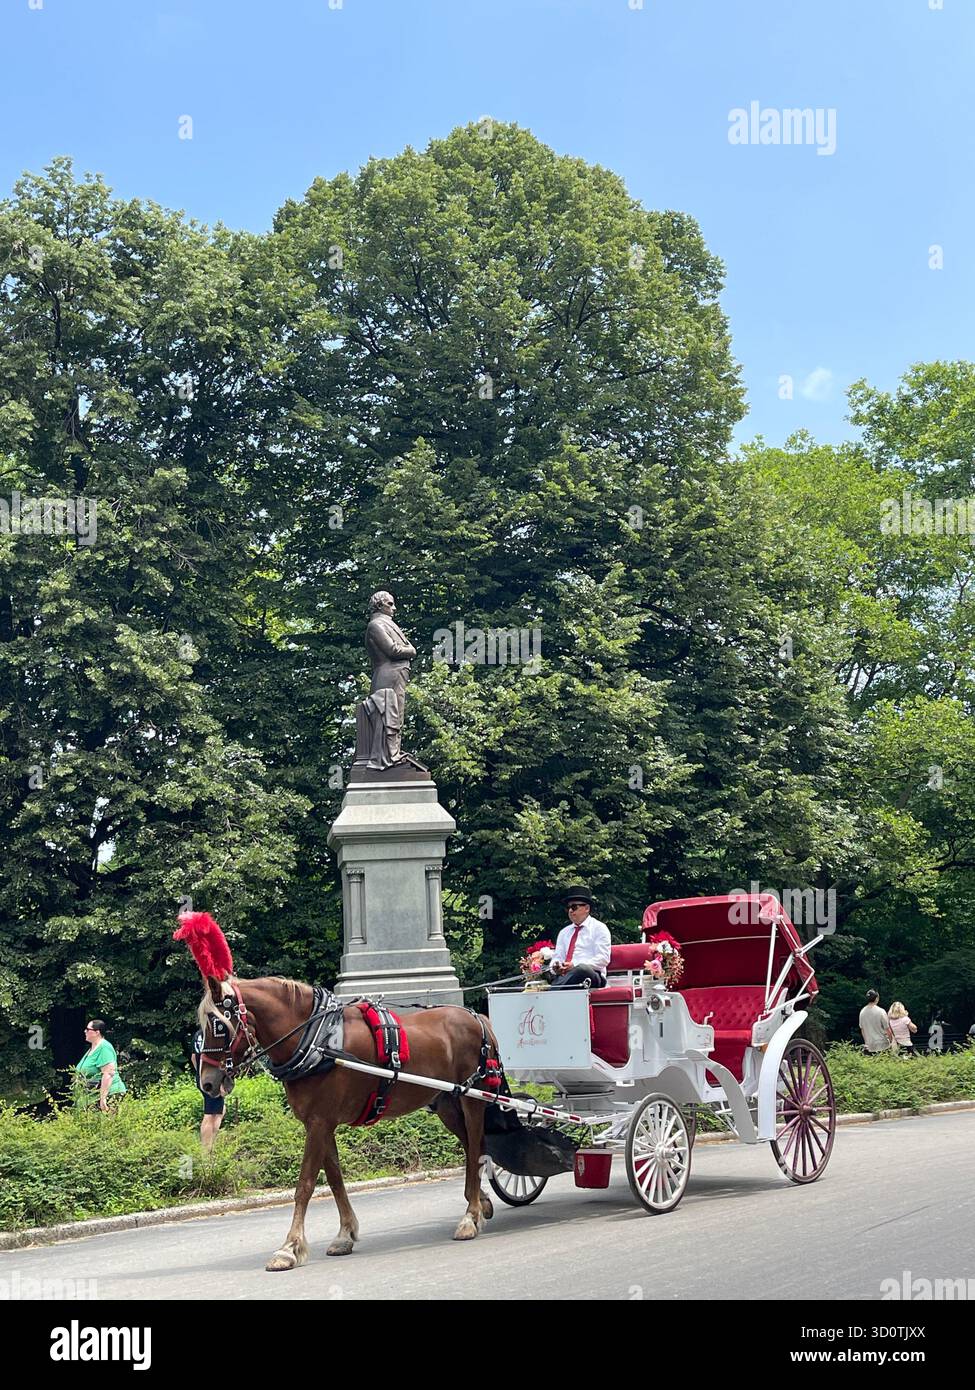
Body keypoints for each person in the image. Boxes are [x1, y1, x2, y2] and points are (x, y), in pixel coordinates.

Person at [548, 887, 611, 990]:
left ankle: (552, 991)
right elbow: (558, 957)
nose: (570, 911)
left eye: (574, 907)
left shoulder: (599, 928)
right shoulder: (564, 932)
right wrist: (556, 966)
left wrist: (574, 965)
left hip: (592, 975)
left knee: (582, 969)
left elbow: (603, 959)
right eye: (568, 908)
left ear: (587, 908)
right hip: (566, 976)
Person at [74, 1019, 127, 1111]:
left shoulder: (104, 1047)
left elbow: (109, 1073)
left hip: (109, 1095)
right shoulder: (92, 1049)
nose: (85, 1031)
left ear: (97, 1032)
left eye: (88, 1029)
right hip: (92, 1097)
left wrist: (103, 1099)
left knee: (109, 1124)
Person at [192, 1028, 225, 1153]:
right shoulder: (214, 1035)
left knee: (219, 1111)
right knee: (210, 1114)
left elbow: (194, 1058)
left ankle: (211, 1142)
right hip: (213, 1078)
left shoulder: (198, 1034)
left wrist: (200, 1074)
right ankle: (206, 1150)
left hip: (202, 1075)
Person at [858, 990, 893, 1054]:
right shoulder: (881, 1011)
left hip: (870, 1046)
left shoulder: (862, 1012)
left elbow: (862, 1029)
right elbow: (887, 1029)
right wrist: (891, 1041)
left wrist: (867, 1042)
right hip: (883, 1046)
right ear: (877, 998)